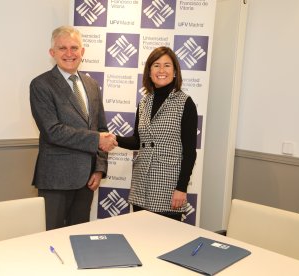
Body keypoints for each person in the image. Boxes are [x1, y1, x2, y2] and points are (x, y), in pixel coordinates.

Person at [30, 26, 117, 230]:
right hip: (55, 180)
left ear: (82, 52)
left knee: (79, 238)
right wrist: (96, 140)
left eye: (74, 48)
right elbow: (52, 130)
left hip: (87, 180)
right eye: (62, 48)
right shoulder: (41, 85)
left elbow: (101, 127)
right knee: (50, 238)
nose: (69, 54)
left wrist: (99, 168)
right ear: (52, 53)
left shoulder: (92, 85)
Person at [116, 46, 198, 221]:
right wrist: (114, 139)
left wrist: (181, 188)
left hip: (168, 187)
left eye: (167, 65)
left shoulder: (185, 103)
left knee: (165, 241)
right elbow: (138, 141)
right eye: (156, 65)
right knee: (140, 239)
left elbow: (190, 152)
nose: (161, 70)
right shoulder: (144, 103)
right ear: (149, 72)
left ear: (175, 71)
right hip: (141, 184)